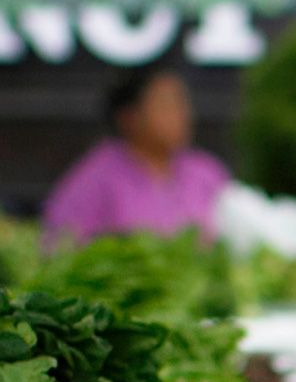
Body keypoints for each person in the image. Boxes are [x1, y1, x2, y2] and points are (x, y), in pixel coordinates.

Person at [40, 62, 231, 248]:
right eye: (166, 105)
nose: (181, 114)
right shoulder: (93, 180)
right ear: (129, 117)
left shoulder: (206, 173)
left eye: (181, 103)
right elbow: (58, 246)